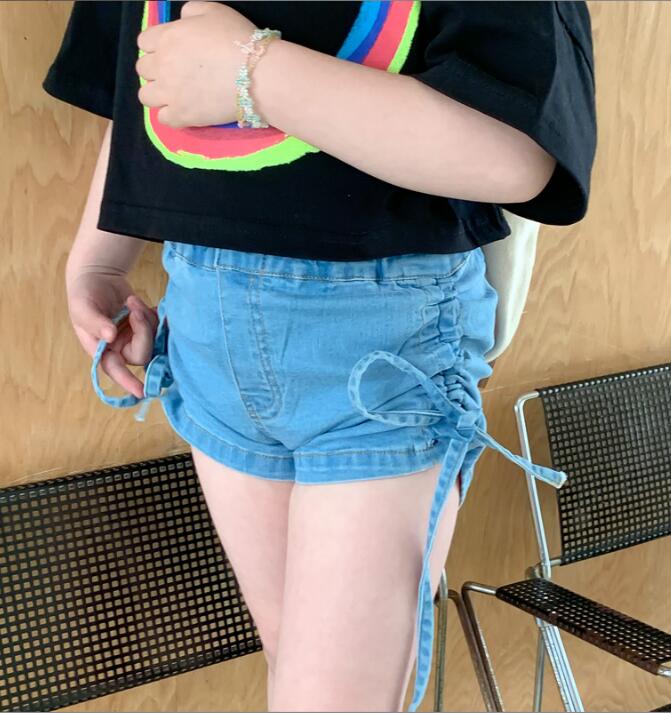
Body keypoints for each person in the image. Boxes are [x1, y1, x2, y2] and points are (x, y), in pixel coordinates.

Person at [42, 1, 597, 710]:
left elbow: (517, 151)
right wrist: (97, 260)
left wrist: (251, 72)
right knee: (298, 668)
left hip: (379, 344)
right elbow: (145, 81)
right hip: (206, 332)